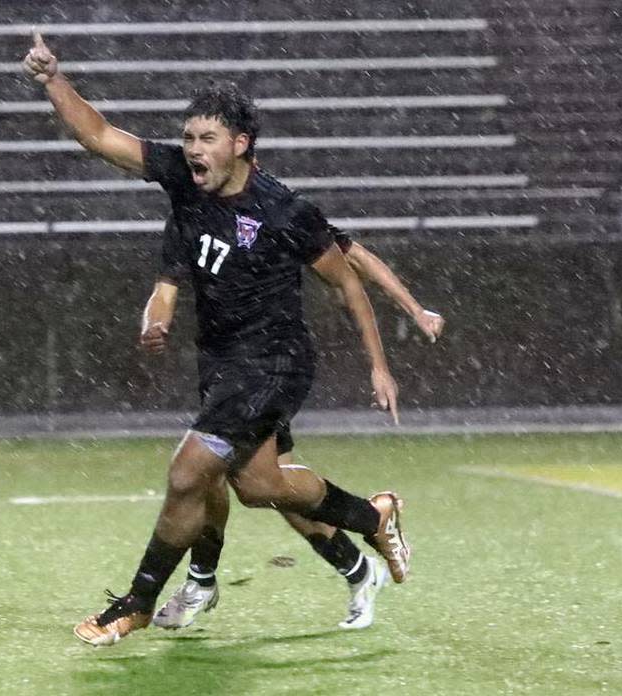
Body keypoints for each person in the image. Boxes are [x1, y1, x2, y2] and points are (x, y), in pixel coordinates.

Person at [24, 34, 413, 646]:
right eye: (188, 137)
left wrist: (379, 366)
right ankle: (373, 516)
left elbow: (348, 284)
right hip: (224, 360)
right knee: (261, 487)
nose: (192, 149)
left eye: (206, 139)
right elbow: (98, 135)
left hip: (277, 362)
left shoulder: (285, 211)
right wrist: (53, 81)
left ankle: (138, 602)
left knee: (188, 473)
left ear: (241, 145)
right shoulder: (185, 182)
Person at [151, 231, 443, 631]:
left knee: (217, 471)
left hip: (268, 368)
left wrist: (415, 309)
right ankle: (360, 569)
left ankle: (202, 580)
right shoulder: (199, 210)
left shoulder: (274, 209)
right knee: (276, 489)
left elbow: (358, 259)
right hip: (225, 368)